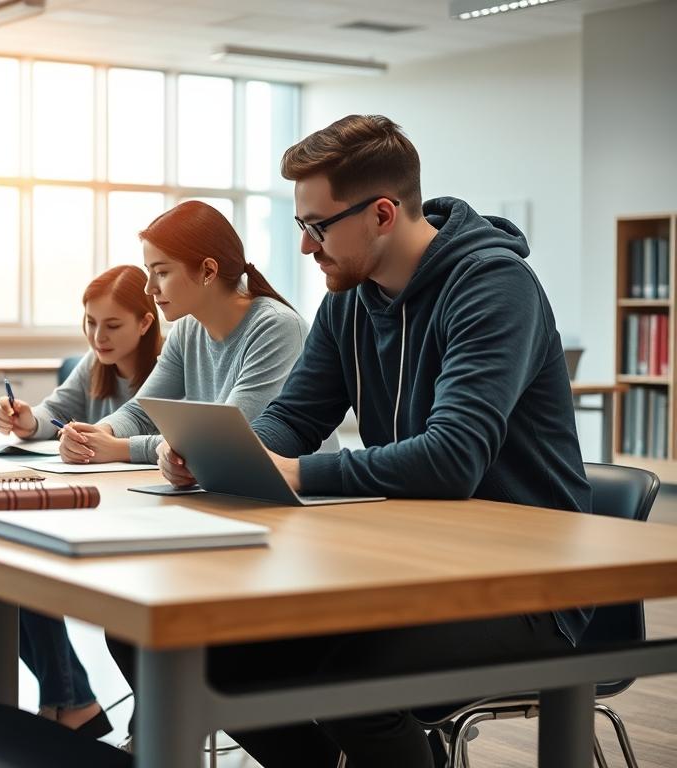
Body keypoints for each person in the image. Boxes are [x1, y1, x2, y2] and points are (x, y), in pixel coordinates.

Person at [155, 115, 590, 767]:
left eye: (317, 226)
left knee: (343, 674)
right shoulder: (350, 301)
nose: (305, 247)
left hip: (529, 587)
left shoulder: (494, 287)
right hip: (409, 564)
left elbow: (451, 460)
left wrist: (298, 473)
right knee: (210, 652)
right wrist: (224, 451)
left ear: (382, 213)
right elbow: (293, 419)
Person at [0, 264, 161, 736]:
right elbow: (50, 412)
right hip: (93, 510)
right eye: (91, 323)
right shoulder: (92, 367)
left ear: (145, 321)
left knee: (28, 576)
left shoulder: (169, 370)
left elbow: (170, 446)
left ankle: (74, 705)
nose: (99, 336)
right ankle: (73, 699)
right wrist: (23, 418)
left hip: (146, 518)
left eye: (112, 324)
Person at [59, 200, 310, 469]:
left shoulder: (276, 327)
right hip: (226, 486)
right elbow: (142, 411)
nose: (149, 288)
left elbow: (228, 436)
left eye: (161, 272)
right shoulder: (187, 330)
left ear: (208, 271)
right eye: (149, 272)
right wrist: (98, 434)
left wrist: (121, 448)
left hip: (297, 495)